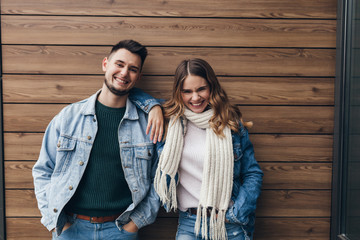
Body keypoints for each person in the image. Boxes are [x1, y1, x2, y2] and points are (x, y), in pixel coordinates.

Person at [32, 39, 164, 240]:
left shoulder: (147, 125)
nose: (124, 73)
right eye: (119, 64)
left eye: (132, 69)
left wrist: (136, 223)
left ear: (138, 77)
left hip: (120, 230)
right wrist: (56, 223)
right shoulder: (68, 117)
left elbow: (161, 179)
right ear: (105, 64)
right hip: (71, 228)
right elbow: (43, 170)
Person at [154, 58, 263, 240]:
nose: (195, 98)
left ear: (212, 87)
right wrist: (152, 107)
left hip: (228, 224)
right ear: (178, 93)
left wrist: (236, 213)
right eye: (187, 91)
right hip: (189, 223)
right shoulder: (170, 124)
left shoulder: (231, 124)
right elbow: (130, 95)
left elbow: (253, 173)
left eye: (201, 89)